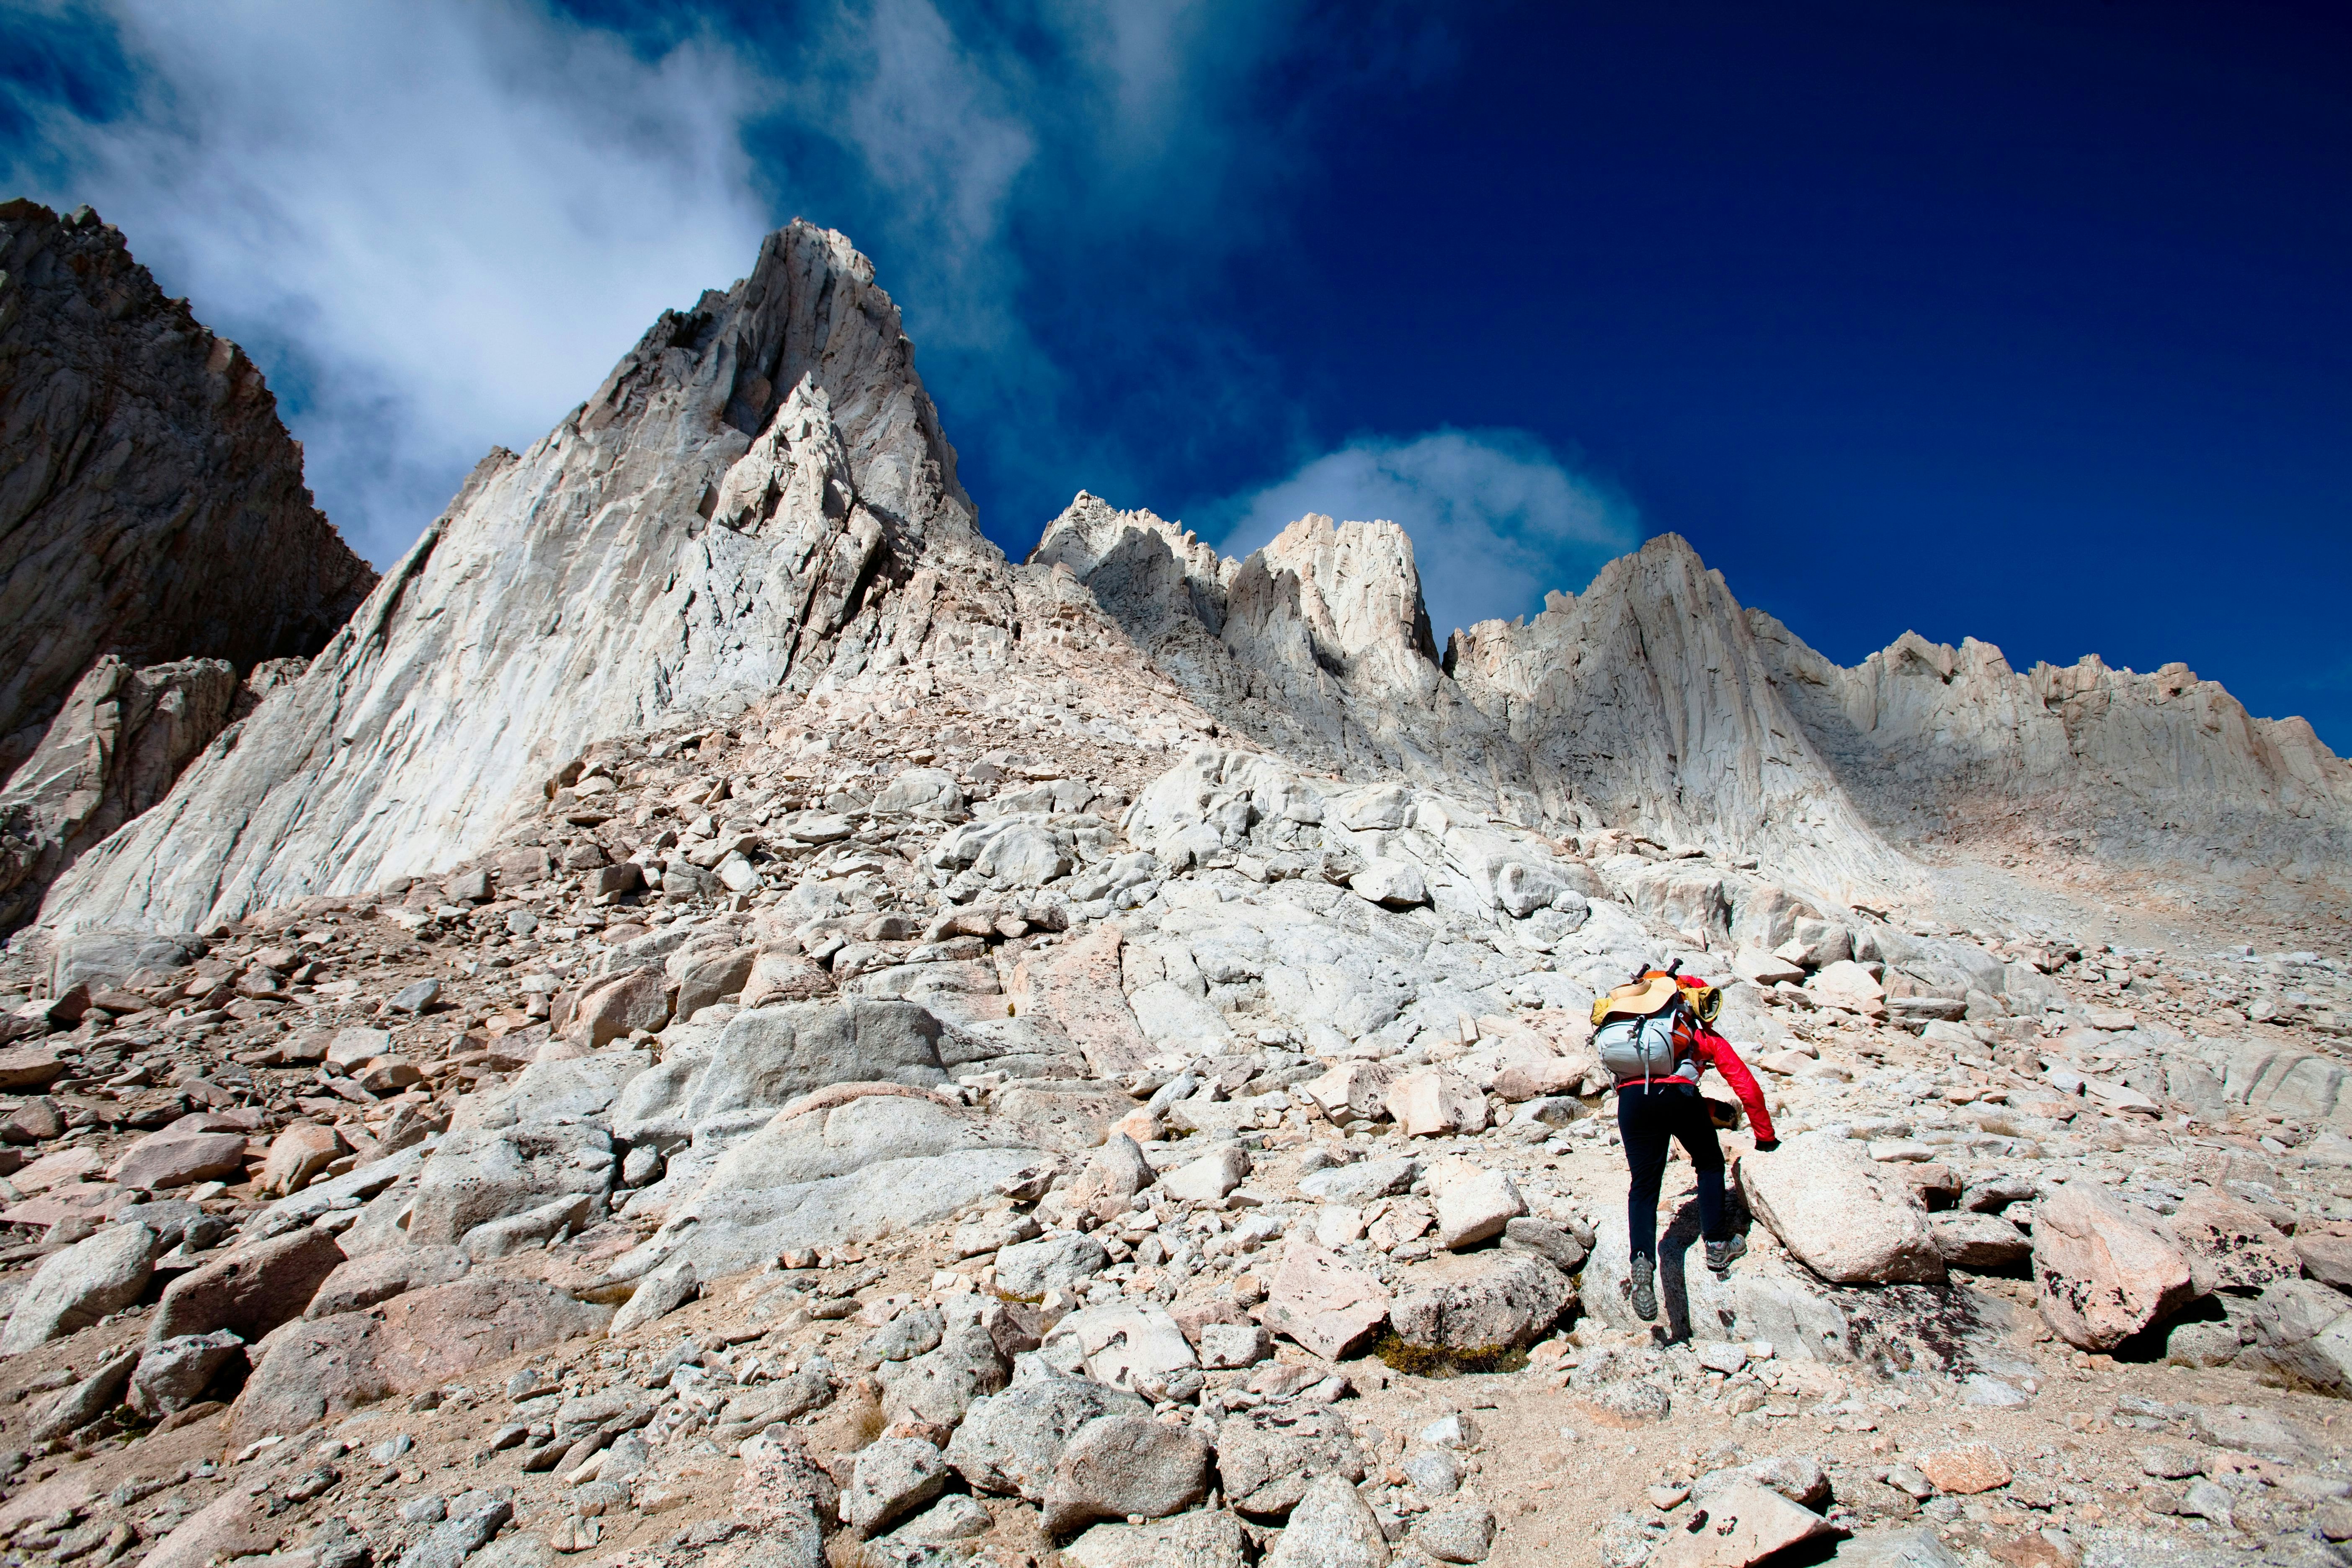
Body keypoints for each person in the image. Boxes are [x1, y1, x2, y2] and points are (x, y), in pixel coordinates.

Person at [1605, 968, 1778, 1323]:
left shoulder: (1633, 1028)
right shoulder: (1697, 1035)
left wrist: (1715, 1110)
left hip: (1632, 1100)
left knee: (1643, 1188)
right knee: (1710, 1163)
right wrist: (1765, 1137)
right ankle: (1717, 1245)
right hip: (1680, 1096)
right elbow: (1746, 1086)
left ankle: (1642, 1258)